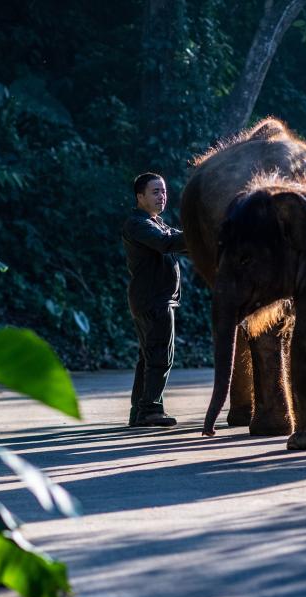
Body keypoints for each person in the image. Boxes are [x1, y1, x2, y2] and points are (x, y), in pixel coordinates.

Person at [122, 172, 187, 427]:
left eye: (164, 191)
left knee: (149, 357)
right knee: (160, 356)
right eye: (155, 192)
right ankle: (150, 410)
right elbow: (166, 243)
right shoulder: (138, 224)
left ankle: (140, 411)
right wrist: (200, 231)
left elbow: (179, 241)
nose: (162, 196)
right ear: (140, 197)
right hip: (153, 300)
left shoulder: (157, 222)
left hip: (153, 299)